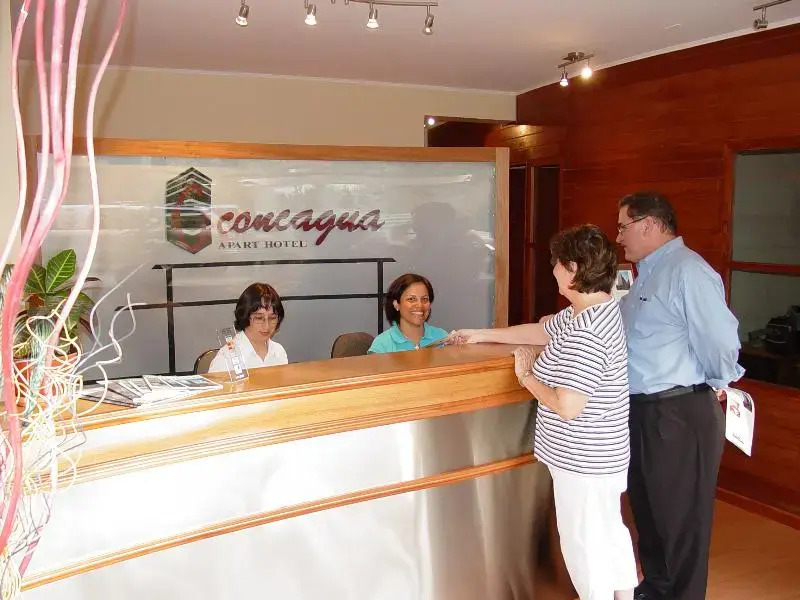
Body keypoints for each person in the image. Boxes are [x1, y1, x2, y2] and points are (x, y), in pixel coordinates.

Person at [447, 224, 637, 600]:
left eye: (556, 263)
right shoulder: (593, 311)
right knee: (608, 534)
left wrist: (526, 377)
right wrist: (481, 334)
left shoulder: (587, 332)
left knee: (584, 545)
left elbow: (567, 405)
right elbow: (542, 331)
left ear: (572, 268)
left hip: (583, 460)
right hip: (603, 456)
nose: (553, 270)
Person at [616, 192, 744, 600]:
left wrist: (718, 381)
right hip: (643, 411)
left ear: (649, 225)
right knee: (649, 512)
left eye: (623, 227)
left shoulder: (688, 271)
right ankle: (655, 590)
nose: (618, 237)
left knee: (680, 520)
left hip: (678, 410)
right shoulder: (646, 274)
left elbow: (720, 341)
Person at [208, 282, 288, 373]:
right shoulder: (226, 357)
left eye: (272, 318)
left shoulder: (279, 351)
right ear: (244, 317)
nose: (267, 325)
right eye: (259, 318)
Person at [368, 273, 448, 353]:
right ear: (396, 304)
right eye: (411, 299)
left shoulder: (442, 337)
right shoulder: (382, 345)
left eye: (424, 299)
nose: (420, 305)